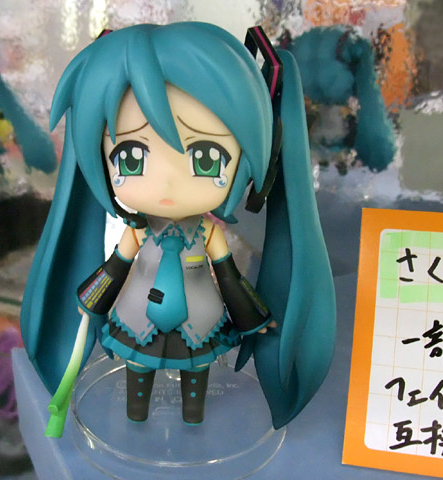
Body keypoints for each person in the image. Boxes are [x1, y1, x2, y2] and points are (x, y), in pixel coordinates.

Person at [21, 22, 335, 434]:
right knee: (137, 375)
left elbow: (230, 278)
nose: (167, 183)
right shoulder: (137, 233)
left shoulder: (209, 234)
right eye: (131, 156)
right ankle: (136, 417)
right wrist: (91, 302)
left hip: (199, 321)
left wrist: (253, 318)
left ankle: (193, 417)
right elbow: (115, 268)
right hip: (137, 317)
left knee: (196, 378)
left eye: (205, 157)